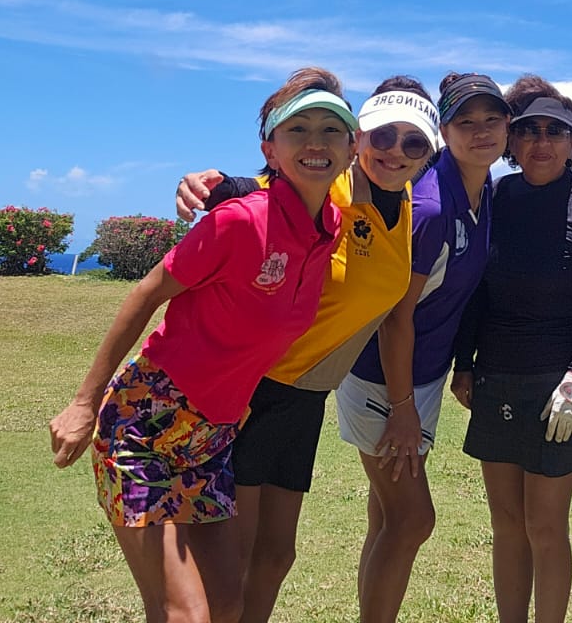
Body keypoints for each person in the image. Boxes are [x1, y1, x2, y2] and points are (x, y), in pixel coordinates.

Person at [47, 68, 356, 623]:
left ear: (352, 147)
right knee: (184, 612)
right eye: (298, 130)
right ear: (271, 148)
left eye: (332, 130)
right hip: (144, 422)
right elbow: (146, 293)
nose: (316, 142)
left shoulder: (330, 227)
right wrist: (83, 403)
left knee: (227, 604)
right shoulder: (240, 220)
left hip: (211, 438)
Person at [171, 77, 441, 623]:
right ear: (357, 141)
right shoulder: (333, 190)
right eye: (384, 136)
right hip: (253, 391)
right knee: (232, 559)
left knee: (275, 555)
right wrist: (216, 184)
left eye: (413, 143)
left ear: (427, 155)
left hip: (305, 398)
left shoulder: (405, 203)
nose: (396, 151)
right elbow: (269, 189)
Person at [346, 72, 512, 623]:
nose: (481, 132)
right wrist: (401, 411)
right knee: (413, 520)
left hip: (423, 375)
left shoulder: (482, 187)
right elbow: (395, 319)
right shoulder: (433, 207)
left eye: (492, 120)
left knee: (386, 514)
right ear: (444, 131)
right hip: (382, 379)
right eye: (466, 122)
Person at [451, 75, 572, 623]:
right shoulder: (495, 197)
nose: (542, 142)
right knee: (506, 523)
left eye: (556, 131)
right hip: (496, 376)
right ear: (513, 143)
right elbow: (476, 287)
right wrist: (465, 363)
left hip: (558, 389)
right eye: (529, 131)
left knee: (545, 525)